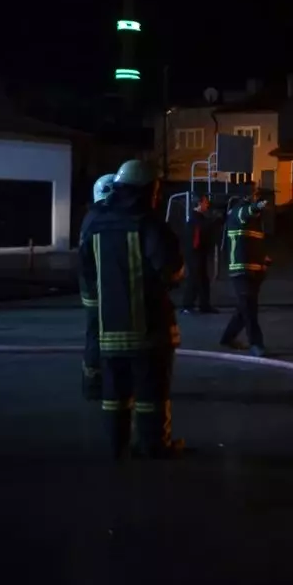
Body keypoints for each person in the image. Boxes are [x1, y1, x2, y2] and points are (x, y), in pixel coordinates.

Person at [79, 159, 186, 459]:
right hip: (149, 330)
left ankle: (117, 444)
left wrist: (97, 315)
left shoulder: (94, 222)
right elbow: (170, 269)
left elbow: (87, 275)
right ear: (148, 189)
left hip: (108, 331)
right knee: (151, 393)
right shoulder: (148, 223)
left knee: (114, 394)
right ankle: (154, 445)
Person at [78, 173, 115, 401]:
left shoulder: (92, 216)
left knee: (95, 334)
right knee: (98, 337)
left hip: (91, 287)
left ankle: (94, 382)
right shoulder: (101, 218)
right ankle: (95, 384)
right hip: (98, 287)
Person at [219, 193, 271, 356]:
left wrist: (264, 262)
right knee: (249, 308)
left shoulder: (255, 222)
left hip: (253, 270)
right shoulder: (238, 213)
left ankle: (228, 338)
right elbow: (247, 211)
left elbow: (256, 244)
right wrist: (259, 205)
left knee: (244, 308)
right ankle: (256, 344)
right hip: (241, 270)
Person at [180, 194, 219, 315]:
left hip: (197, 252)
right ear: (199, 204)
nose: (207, 205)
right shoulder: (196, 219)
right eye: (205, 202)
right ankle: (188, 304)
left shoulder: (196, 218)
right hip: (195, 253)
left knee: (201, 278)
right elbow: (200, 234)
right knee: (195, 278)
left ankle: (203, 304)